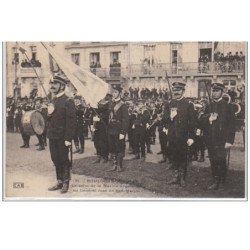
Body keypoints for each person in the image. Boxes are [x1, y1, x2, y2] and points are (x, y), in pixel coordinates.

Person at [47, 75, 77, 194]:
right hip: (53, 135)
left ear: (62, 86)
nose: (52, 86)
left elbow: (71, 121)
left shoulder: (68, 101)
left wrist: (68, 138)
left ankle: (66, 183)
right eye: (52, 84)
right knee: (55, 158)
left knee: (64, 159)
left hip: (63, 137)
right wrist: (48, 114)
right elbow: (50, 119)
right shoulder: (53, 100)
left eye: (55, 84)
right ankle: (59, 181)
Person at [203, 83, 236, 190]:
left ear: (222, 92)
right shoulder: (209, 105)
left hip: (222, 139)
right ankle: (216, 179)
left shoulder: (228, 106)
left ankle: (221, 178)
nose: (214, 93)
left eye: (217, 91)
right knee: (213, 159)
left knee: (220, 159)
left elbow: (232, 125)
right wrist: (209, 118)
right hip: (210, 138)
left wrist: (229, 141)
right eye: (213, 91)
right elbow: (202, 120)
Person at [164, 82, 196, 187]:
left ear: (183, 91)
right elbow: (164, 120)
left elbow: (192, 122)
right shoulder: (169, 104)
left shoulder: (188, 104)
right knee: (173, 157)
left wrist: (191, 136)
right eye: (174, 90)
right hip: (172, 136)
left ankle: (182, 178)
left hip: (183, 136)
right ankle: (176, 177)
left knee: (182, 157)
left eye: (178, 90)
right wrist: (171, 117)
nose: (176, 92)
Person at [107, 85, 129, 172]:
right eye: (113, 92)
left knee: (120, 147)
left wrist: (123, 132)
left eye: (115, 92)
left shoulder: (123, 105)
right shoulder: (111, 104)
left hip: (119, 129)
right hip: (111, 129)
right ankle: (114, 164)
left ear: (119, 93)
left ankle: (120, 165)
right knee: (112, 147)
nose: (113, 93)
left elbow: (126, 120)